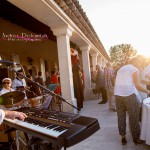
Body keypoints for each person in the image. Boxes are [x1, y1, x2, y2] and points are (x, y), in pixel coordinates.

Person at [114, 56, 149, 145]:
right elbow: (137, 85)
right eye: (139, 62)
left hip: (118, 94)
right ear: (136, 62)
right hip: (129, 95)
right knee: (134, 117)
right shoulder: (134, 69)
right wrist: (147, 91)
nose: (140, 64)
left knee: (121, 116)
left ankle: (123, 136)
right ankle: (136, 138)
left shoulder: (121, 69)